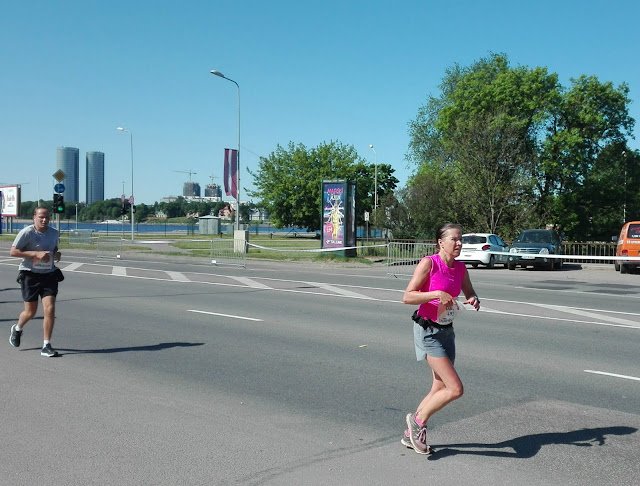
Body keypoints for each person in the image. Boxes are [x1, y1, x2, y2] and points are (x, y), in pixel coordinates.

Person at [400, 222, 480, 454]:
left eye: (461, 239)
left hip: (446, 331)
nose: (459, 243)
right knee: (455, 389)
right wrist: (436, 294)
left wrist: (473, 298)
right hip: (427, 331)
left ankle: (410, 435)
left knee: (439, 387)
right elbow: (407, 297)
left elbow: (469, 291)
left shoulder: (461, 268)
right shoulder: (429, 263)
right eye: (454, 239)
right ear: (440, 242)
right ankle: (418, 422)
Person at [9, 207, 62, 357]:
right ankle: (17, 328)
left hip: (49, 274)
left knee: (50, 308)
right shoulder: (27, 233)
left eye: (47, 217)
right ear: (34, 218)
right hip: (30, 275)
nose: (44, 220)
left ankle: (46, 345)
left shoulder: (54, 232)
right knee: (30, 312)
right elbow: (13, 252)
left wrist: (57, 254)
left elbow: (53, 248)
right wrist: (35, 254)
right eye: (41, 217)